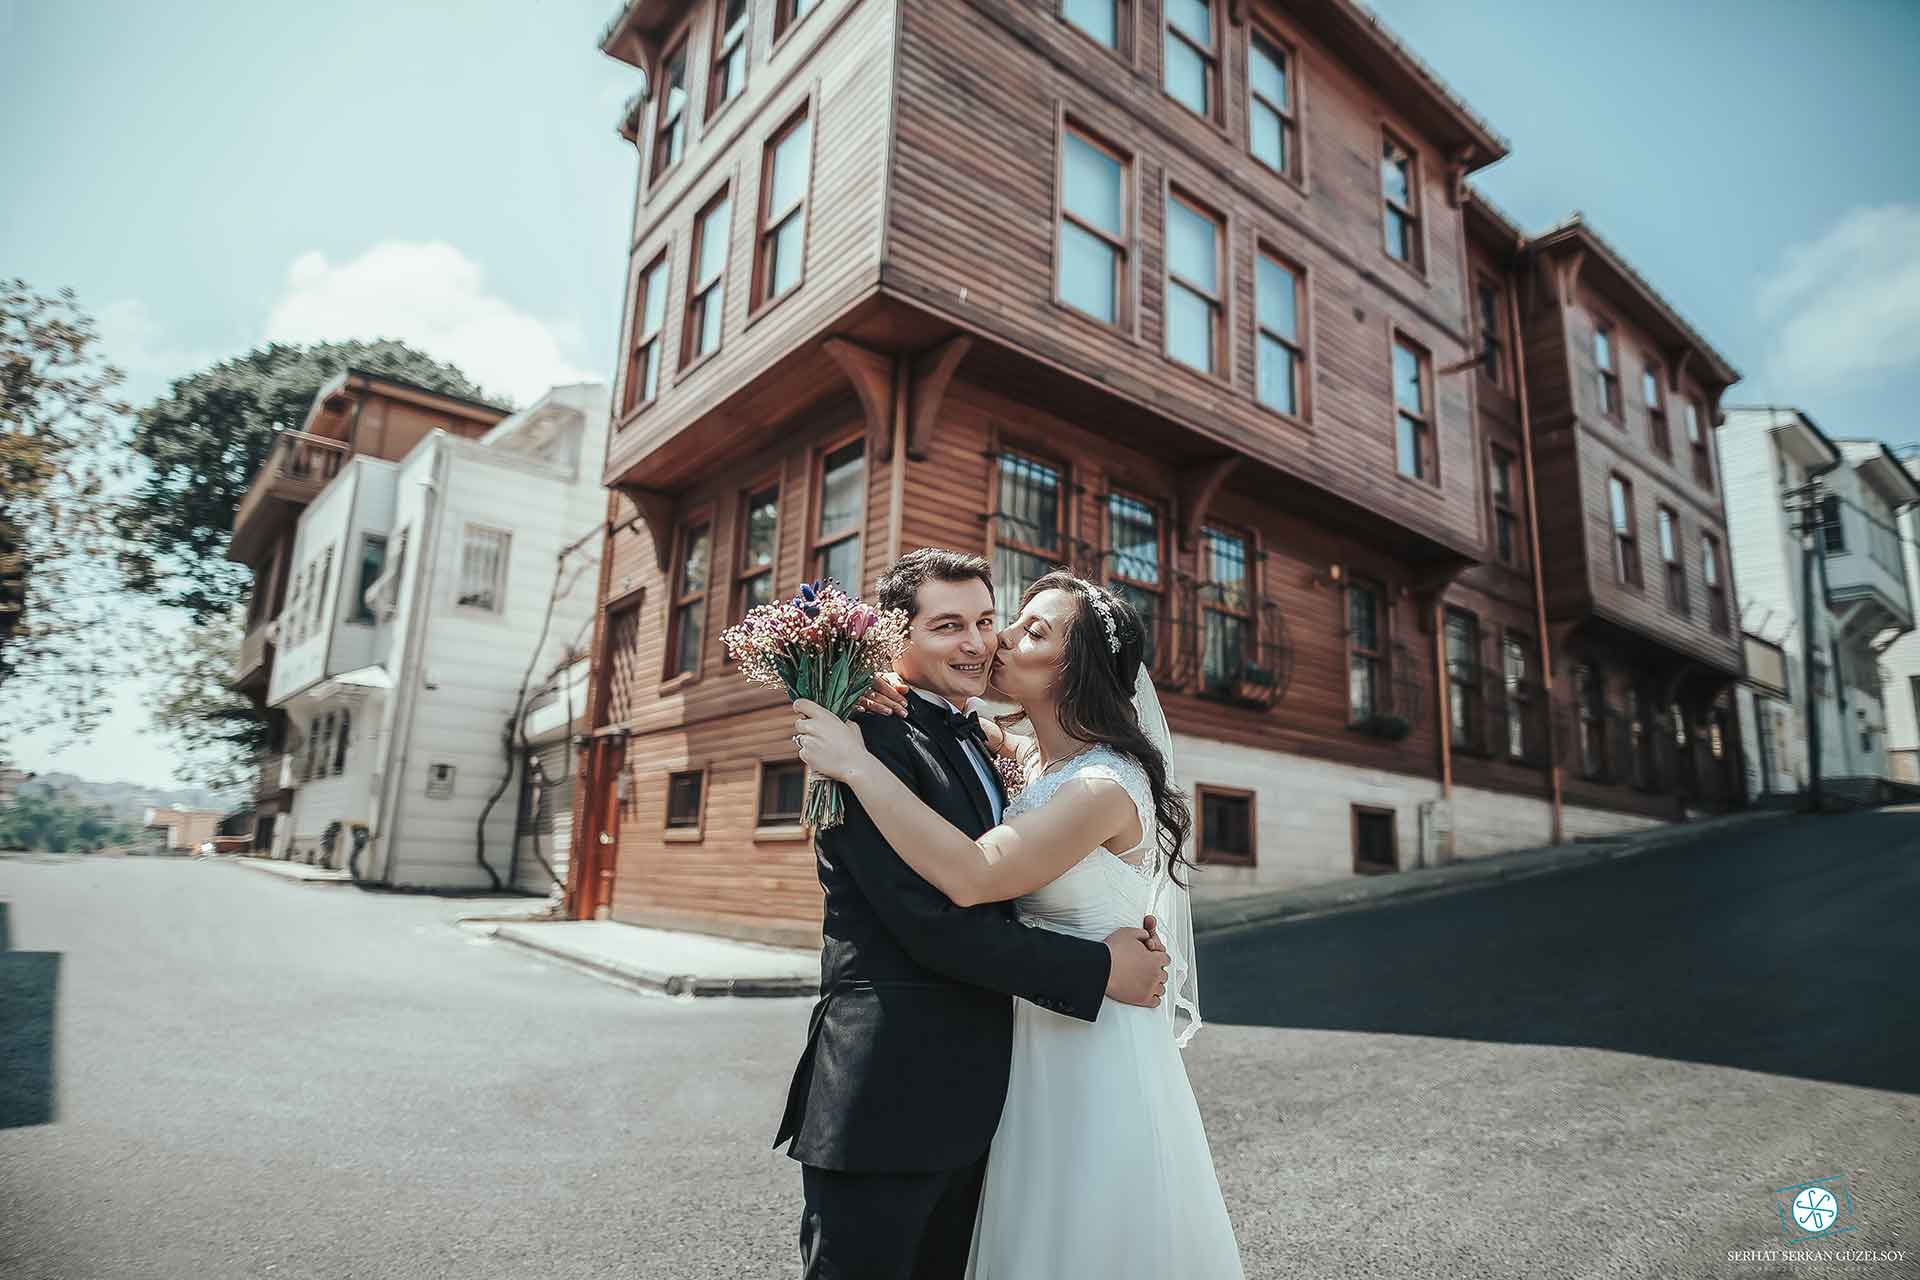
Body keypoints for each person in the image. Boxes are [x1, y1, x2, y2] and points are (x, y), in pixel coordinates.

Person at [794, 569, 1245, 1276]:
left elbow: (977, 874)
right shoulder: (1013, 751)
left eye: (1023, 629)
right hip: (988, 1055)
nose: (994, 640)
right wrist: (871, 688)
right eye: (960, 624)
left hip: (1088, 1047)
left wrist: (857, 763)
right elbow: (940, 735)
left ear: (1076, 669)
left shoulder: (1099, 785)